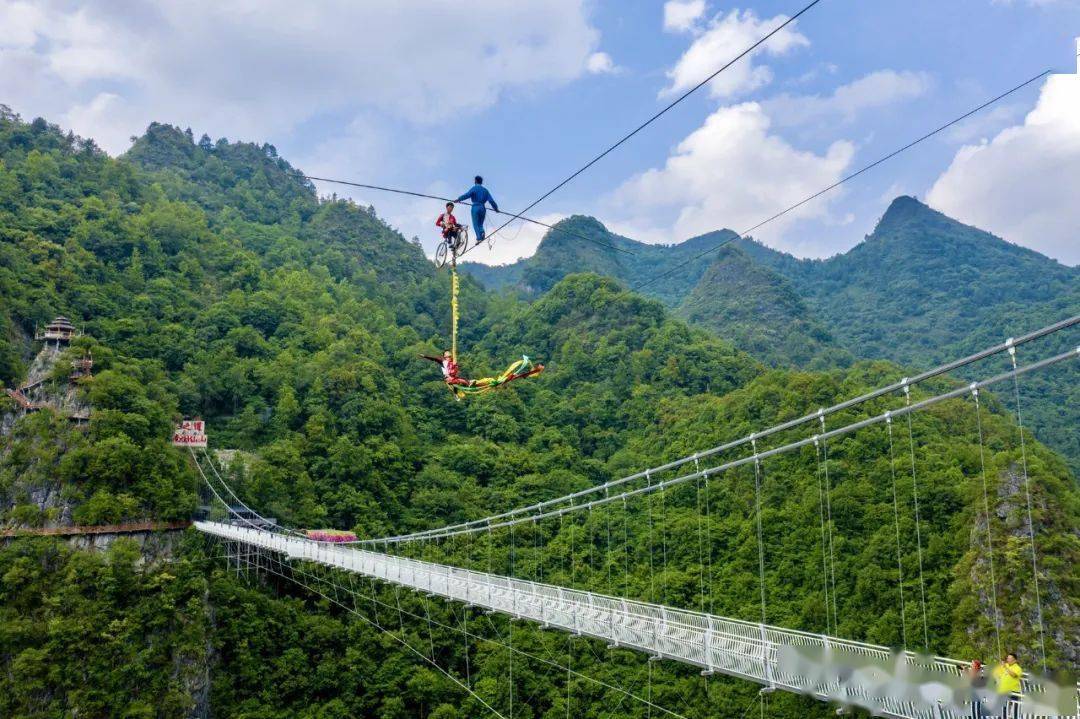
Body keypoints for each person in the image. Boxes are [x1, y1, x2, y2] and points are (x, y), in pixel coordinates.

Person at [456, 175, 499, 244]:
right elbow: (491, 201)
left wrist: (459, 199)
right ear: (481, 182)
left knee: (475, 223)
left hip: (475, 207)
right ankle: (482, 233)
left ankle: (479, 238)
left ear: (475, 181)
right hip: (483, 208)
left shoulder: (474, 188)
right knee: (480, 224)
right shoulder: (485, 190)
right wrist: (496, 209)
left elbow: (467, 195)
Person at [992, 653, 1022, 718]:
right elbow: (995, 673)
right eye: (1007, 658)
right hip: (1003, 691)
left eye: (1010, 658)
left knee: (1014, 710)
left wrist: (1005, 667)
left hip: (1013, 692)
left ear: (1015, 660)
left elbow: (1014, 675)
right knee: (1003, 709)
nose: (1008, 660)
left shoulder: (1018, 668)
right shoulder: (1005, 665)